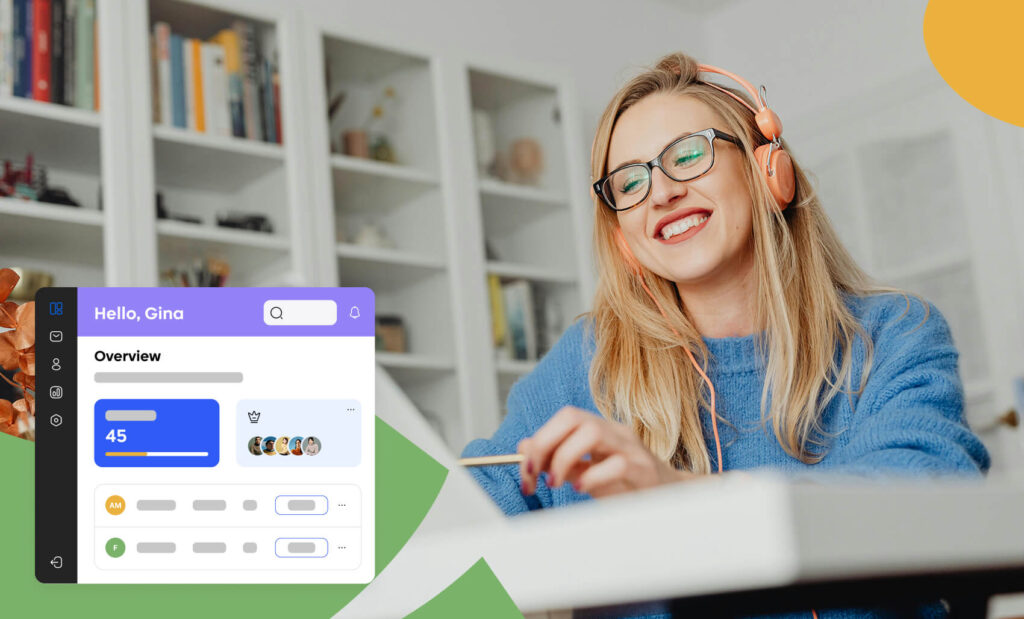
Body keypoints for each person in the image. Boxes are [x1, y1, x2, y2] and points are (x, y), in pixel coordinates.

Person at [461, 52, 989, 619]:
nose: (661, 193)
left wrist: (680, 499)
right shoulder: (587, 363)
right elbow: (467, 521)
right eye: (630, 181)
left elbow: (922, 503)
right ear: (624, 237)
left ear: (769, 172)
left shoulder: (895, 337)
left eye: (689, 154)